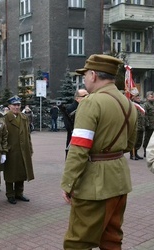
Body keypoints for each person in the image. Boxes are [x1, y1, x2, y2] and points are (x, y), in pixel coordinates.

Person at [61, 54, 137, 249]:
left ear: (93, 75)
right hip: (119, 180)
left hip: (95, 185)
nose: (84, 79)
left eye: (85, 74)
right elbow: (130, 144)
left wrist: (68, 183)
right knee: (112, 239)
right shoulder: (129, 104)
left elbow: (79, 148)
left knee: (77, 243)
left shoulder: (91, 102)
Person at [3, 95, 34, 204]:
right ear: (9, 106)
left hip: (23, 150)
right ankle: (10, 194)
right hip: (11, 150)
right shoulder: (5, 119)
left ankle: (19, 193)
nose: (16, 107)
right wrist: (5, 150)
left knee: (21, 172)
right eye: (14, 105)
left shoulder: (24, 118)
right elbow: (3, 136)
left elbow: (28, 134)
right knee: (10, 173)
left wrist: (30, 148)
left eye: (18, 105)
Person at [59, 88, 89, 158]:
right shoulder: (71, 109)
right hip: (74, 139)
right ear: (77, 98)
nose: (87, 98)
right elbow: (68, 126)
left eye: (88, 95)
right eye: (84, 96)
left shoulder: (88, 107)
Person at [130, 94, 145, 160]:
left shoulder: (140, 106)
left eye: (139, 98)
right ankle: (132, 154)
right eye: (137, 98)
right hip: (136, 126)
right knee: (134, 141)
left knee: (139, 141)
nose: (139, 99)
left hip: (141, 126)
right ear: (134, 98)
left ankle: (136, 153)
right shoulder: (133, 105)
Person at [143, 91, 154, 157]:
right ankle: (145, 151)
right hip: (149, 125)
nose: (153, 98)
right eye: (151, 97)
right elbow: (145, 115)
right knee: (148, 138)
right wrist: (147, 124)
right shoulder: (146, 105)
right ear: (147, 97)